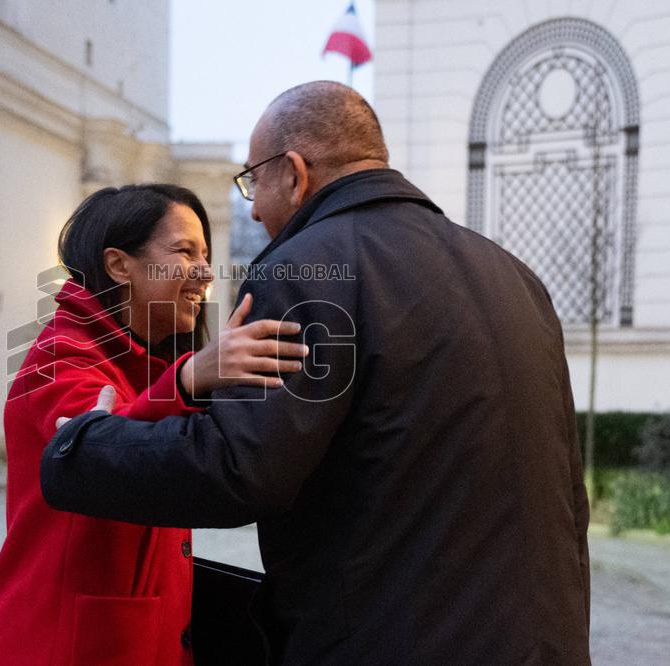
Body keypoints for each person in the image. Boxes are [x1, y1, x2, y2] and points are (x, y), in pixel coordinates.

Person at [41, 82, 591, 664]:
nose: (254, 209)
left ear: (294, 173)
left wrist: (86, 448)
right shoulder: (514, 275)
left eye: (253, 182)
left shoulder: (305, 269)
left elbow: (240, 468)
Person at [0, 184, 308, 665]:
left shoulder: (148, 360)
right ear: (119, 265)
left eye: (206, 255)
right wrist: (189, 379)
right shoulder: (61, 354)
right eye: (184, 251)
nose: (205, 271)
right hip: (64, 645)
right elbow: (105, 454)